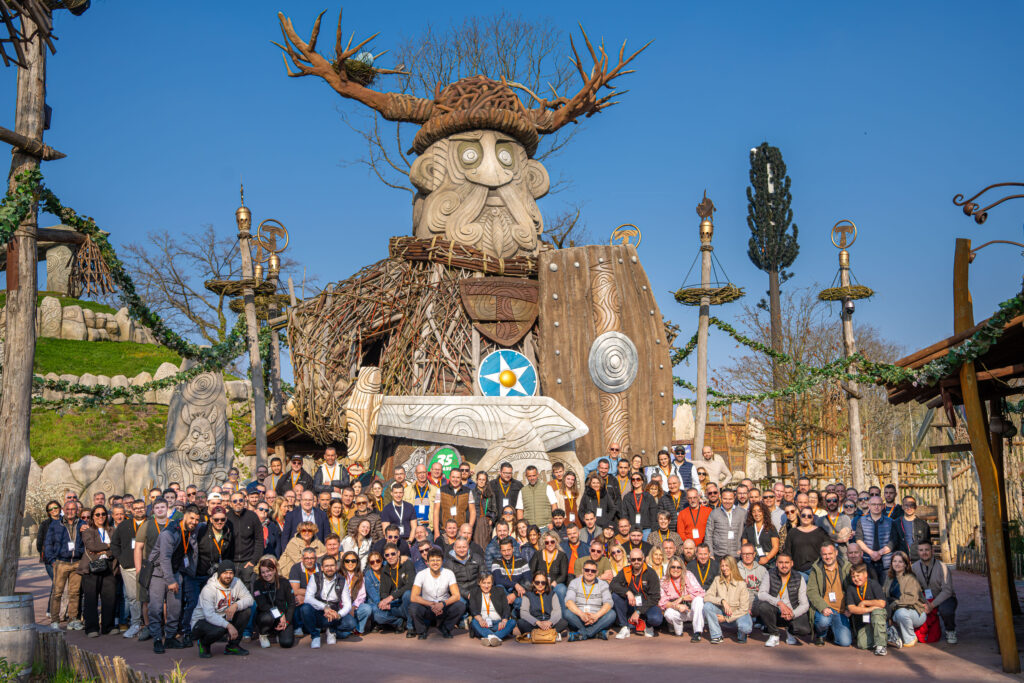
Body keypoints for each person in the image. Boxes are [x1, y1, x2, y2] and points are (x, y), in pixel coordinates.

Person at [147, 505, 200, 652]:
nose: (194, 522)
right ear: (184, 516)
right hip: (159, 573)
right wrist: (170, 581)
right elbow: (164, 559)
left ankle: (170, 637)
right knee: (156, 608)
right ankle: (157, 639)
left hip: (176, 572)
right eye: (191, 518)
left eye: (197, 520)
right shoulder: (169, 533)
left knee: (175, 608)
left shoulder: (191, 531)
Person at [190, 560, 253, 658]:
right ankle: (203, 643)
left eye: (231, 573)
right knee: (219, 629)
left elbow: (250, 599)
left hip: (223, 616)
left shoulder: (237, 582)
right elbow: (209, 615)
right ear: (219, 574)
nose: (228, 576)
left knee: (246, 612)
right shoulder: (209, 589)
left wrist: (236, 605)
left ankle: (232, 646)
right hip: (202, 621)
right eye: (225, 573)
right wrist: (229, 626)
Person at [46, 499, 85, 630]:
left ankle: (72, 619)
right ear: (63, 510)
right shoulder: (55, 525)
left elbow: (86, 541)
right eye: (68, 509)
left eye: (73, 509)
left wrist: (81, 553)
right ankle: (55, 619)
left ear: (77, 511)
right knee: (57, 592)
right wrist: (52, 560)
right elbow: (48, 543)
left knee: (74, 593)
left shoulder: (82, 524)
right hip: (61, 562)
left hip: (77, 562)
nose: (70, 512)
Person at [78, 505, 117, 637]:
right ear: (93, 516)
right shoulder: (88, 531)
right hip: (92, 568)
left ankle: (108, 626)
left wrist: (106, 551)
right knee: (91, 598)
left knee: (109, 598)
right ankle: (91, 628)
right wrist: (108, 545)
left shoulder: (112, 530)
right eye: (97, 514)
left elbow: (116, 547)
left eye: (103, 514)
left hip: (108, 566)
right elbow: (91, 546)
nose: (101, 517)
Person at [410, 548, 465, 639]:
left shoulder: (449, 573)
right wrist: (431, 604)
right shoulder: (421, 574)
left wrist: (442, 604)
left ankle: (445, 628)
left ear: (442, 561)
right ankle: (422, 631)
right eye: (432, 560)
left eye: (438, 560)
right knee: (413, 607)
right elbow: (413, 597)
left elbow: (456, 595)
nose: (435, 563)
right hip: (427, 606)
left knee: (460, 605)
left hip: (443, 606)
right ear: (427, 562)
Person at [756, 553, 810, 647]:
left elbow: (805, 604)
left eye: (786, 562)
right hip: (775, 610)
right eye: (781, 562)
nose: (784, 565)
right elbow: (761, 594)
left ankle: (790, 632)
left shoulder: (799, 577)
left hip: (791, 611)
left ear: (791, 563)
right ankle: (774, 634)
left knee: (804, 630)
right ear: (776, 563)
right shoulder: (769, 574)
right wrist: (779, 603)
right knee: (763, 606)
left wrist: (793, 614)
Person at [111, 499, 147, 638]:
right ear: (131, 510)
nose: (139, 510)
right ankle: (135, 624)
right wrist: (122, 559)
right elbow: (114, 544)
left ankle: (150, 625)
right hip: (129, 566)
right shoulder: (124, 525)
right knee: (133, 597)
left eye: (141, 507)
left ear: (146, 508)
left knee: (148, 597)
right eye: (136, 508)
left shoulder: (151, 523)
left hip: (148, 566)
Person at [610, 548, 662, 638]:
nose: (636, 561)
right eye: (633, 559)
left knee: (656, 619)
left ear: (643, 558)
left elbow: (655, 597)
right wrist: (627, 592)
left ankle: (648, 625)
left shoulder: (651, 573)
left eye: (639, 559)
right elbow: (613, 584)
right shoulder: (626, 570)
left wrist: (638, 611)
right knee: (615, 596)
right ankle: (624, 627)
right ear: (630, 560)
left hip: (647, 605)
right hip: (632, 604)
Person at [912, 540, 958, 643]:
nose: (924, 552)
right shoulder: (914, 568)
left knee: (946, 610)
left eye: (927, 550)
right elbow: (913, 589)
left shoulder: (943, 567)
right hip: (924, 599)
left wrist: (932, 605)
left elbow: (947, 591)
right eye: (921, 550)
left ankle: (950, 630)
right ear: (918, 552)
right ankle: (913, 632)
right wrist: (923, 603)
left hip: (943, 598)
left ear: (932, 551)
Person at [806, 542, 851, 647]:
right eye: (824, 554)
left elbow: (852, 589)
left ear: (836, 553)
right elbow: (811, 591)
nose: (828, 557)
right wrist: (823, 607)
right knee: (823, 621)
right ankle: (821, 634)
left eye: (830, 553)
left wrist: (849, 607)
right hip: (824, 610)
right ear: (821, 555)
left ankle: (832, 631)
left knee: (845, 642)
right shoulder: (816, 569)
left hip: (841, 611)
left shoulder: (846, 567)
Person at [299, 554, 350, 648]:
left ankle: (331, 630)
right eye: (326, 566)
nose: (329, 568)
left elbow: (348, 604)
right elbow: (308, 598)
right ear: (322, 568)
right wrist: (324, 607)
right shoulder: (315, 577)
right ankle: (315, 636)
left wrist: (338, 615)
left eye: (332, 565)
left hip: (334, 611)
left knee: (351, 623)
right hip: (319, 610)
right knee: (305, 608)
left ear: (336, 567)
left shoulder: (342, 580)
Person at [702, 556, 753, 643]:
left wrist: (726, 619)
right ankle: (717, 635)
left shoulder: (741, 584)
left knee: (745, 628)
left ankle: (741, 634)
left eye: (727, 565)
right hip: (723, 612)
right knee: (707, 606)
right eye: (722, 566)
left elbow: (744, 609)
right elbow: (707, 597)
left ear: (733, 566)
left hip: (738, 615)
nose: (724, 568)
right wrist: (722, 601)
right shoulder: (717, 580)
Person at [564, 559, 616, 641]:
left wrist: (596, 616)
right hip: (579, 618)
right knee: (567, 613)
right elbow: (568, 601)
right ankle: (595, 633)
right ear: (582, 570)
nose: (590, 572)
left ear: (597, 572)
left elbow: (608, 603)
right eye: (587, 570)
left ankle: (583, 634)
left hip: (597, 619)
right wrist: (581, 614)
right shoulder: (574, 582)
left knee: (612, 614)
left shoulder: (603, 584)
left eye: (593, 571)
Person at [883, 550, 926, 649]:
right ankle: (890, 637)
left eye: (900, 561)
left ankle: (910, 638)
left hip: (916, 612)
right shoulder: (889, 578)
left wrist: (892, 604)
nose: (897, 564)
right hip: (896, 610)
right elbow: (884, 593)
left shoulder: (911, 578)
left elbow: (910, 599)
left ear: (905, 564)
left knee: (901, 613)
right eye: (894, 561)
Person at [252, 556, 296, 649]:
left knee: (287, 643)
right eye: (263, 572)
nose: (266, 574)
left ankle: (277, 633)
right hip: (267, 616)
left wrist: (287, 621)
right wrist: (280, 614)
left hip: (283, 619)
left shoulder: (284, 582)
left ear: (274, 570)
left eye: (268, 571)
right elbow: (263, 605)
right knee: (267, 617)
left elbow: (291, 604)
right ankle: (263, 634)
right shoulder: (257, 584)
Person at [845, 562, 888, 656]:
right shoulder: (851, 588)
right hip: (865, 622)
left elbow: (882, 603)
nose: (856, 579)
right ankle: (888, 634)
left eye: (858, 575)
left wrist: (864, 602)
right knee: (862, 644)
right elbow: (851, 609)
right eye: (853, 576)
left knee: (877, 612)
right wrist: (870, 609)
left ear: (865, 574)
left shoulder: (873, 584)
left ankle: (881, 646)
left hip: (878, 618)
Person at [659, 556, 705, 639]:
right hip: (678, 611)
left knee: (699, 600)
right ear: (669, 568)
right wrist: (677, 606)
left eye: (678, 567)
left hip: (692, 610)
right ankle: (679, 631)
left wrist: (682, 598)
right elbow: (663, 602)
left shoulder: (688, 575)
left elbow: (701, 593)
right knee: (668, 613)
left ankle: (697, 632)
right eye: (673, 567)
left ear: (682, 568)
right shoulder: (663, 580)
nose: (676, 569)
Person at [855, 495, 899, 578]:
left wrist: (879, 553)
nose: (876, 507)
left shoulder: (891, 522)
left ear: (883, 506)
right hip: (867, 562)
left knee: (886, 586)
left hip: (886, 563)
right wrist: (871, 553)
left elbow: (893, 541)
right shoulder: (861, 521)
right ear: (869, 506)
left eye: (879, 504)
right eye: (873, 504)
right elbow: (858, 540)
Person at [225, 492, 264, 587]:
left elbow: (259, 540)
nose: (238, 503)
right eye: (235, 501)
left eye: (240, 500)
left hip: (248, 561)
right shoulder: (226, 518)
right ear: (230, 503)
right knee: (231, 588)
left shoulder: (252, 516)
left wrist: (254, 561)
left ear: (244, 501)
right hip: (231, 561)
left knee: (248, 589)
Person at [376, 543, 415, 634]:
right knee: (377, 615)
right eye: (387, 555)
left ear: (398, 553)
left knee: (407, 594)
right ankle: (400, 622)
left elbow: (410, 584)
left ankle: (410, 626)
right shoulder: (385, 570)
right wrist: (385, 602)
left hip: (406, 602)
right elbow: (383, 591)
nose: (390, 557)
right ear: (384, 557)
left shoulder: (407, 564)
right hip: (394, 605)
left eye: (393, 554)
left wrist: (391, 597)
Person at [467, 572, 515, 645]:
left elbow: (506, 608)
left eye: (489, 583)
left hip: (498, 624)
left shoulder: (499, 590)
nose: (486, 586)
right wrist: (480, 620)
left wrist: (504, 621)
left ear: (492, 583)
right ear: (479, 583)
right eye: (484, 583)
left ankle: (489, 637)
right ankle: (496, 638)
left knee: (512, 622)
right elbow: (473, 609)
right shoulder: (474, 592)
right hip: (483, 624)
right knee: (474, 622)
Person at [518, 571, 567, 639]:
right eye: (537, 582)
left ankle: (536, 634)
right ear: (533, 583)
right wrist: (537, 622)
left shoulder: (552, 594)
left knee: (563, 622)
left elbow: (557, 611)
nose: (540, 584)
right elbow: (524, 612)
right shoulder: (527, 595)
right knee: (521, 623)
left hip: (549, 622)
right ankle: (551, 633)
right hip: (535, 623)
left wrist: (550, 622)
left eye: (543, 582)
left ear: (546, 583)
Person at [782, 508, 830, 576]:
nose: (806, 517)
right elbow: (787, 552)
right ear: (800, 516)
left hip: (816, 570)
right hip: (798, 570)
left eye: (809, 516)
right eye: (803, 515)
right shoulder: (793, 532)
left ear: (812, 518)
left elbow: (828, 548)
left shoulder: (820, 531)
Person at [491, 538, 530, 614]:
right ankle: (505, 614)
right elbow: (497, 580)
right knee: (499, 588)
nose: (506, 553)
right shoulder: (496, 561)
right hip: (504, 592)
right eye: (504, 551)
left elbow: (528, 581)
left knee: (519, 601)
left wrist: (514, 594)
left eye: (509, 550)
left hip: (518, 593)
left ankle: (514, 615)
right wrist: (515, 584)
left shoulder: (522, 561)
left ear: (513, 549)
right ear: (500, 551)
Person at [529, 531, 569, 603]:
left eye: (552, 542)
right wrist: (538, 583)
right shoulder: (537, 554)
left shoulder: (562, 556)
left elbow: (563, 575)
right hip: (539, 583)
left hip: (555, 584)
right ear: (544, 543)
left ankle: (561, 610)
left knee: (562, 589)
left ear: (556, 541)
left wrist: (553, 584)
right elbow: (531, 571)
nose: (550, 544)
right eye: (547, 542)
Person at [445, 537, 483, 611]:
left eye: (464, 547)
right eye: (459, 547)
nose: (462, 550)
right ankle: (464, 616)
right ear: (454, 548)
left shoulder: (476, 557)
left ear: (468, 547)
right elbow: (451, 584)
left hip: (477, 589)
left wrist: (480, 590)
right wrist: (467, 594)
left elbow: (484, 574)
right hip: (460, 592)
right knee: (460, 603)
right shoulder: (449, 564)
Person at [706, 489, 745, 561]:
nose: (727, 501)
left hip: (736, 554)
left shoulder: (742, 513)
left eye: (730, 499)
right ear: (720, 498)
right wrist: (710, 554)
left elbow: (747, 534)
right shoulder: (714, 513)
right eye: (725, 499)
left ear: (734, 498)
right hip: (719, 554)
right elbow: (708, 535)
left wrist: (743, 549)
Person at [618, 471, 657, 537]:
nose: (635, 481)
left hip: (646, 528)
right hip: (632, 529)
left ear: (642, 481)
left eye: (638, 479)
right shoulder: (627, 497)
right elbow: (624, 514)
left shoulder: (649, 497)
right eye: (633, 479)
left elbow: (653, 515)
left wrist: (653, 530)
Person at [815, 491, 853, 559]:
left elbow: (844, 538)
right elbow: (818, 539)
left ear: (838, 502)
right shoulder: (820, 521)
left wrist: (825, 536)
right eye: (829, 500)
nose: (832, 503)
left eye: (834, 500)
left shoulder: (845, 518)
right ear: (825, 503)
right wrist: (837, 537)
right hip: (826, 556)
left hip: (843, 556)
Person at [742, 501, 779, 567]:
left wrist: (767, 558)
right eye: (754, 511)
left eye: (759, 511)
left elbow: (775, 547)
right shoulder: (748, 528)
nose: (756, 514)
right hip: (752, 561)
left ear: (764, 512)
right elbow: (744, 546)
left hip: (769, 562)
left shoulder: (771, 528)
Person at [897, 497, 932, 561]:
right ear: (902, 507)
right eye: (906, 505)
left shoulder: (923, 525)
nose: (909, 508)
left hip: (918, 560)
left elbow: (927, 545)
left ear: (915, 507)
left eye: (912, 505)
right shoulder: (896, 524)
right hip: (901, 559)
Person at [37, 500, 62, 581]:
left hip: (65, 557)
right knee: (56, 581)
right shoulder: (44, 524)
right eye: (50, 509)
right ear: (48, 512)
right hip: (50, 558)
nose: (53, 510)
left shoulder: (66, 522)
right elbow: (39, 542)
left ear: (60, 508)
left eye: (55, 507)